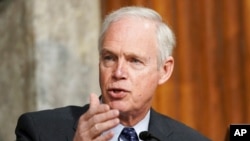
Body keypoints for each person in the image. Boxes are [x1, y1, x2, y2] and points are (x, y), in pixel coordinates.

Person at [15, 6, 210, 141]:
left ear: (164, 70)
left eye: (135, 61)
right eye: (110, 58)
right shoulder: (38, 130)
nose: (118, 72)